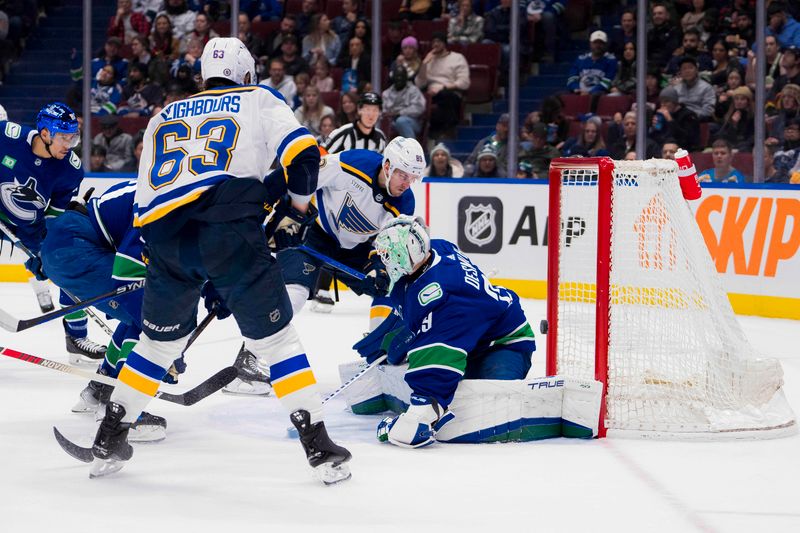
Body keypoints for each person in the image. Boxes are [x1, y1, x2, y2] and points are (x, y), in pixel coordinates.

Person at [91, 37, 352, 484]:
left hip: (165, 239)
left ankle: (109, 434)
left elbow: (144, 201)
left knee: (157, 346)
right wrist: (298, 208)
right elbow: (305, 156)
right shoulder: (256, 99)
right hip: (229, 231)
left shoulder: (161, 117)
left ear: (203, 76)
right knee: (278, 343)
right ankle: (319, 447)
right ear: (246, 75)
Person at [359, 215, 535, 448]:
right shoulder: (438, 247)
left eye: (390, 256)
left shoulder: (446, 300)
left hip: (504, 343)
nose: (386, 261)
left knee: (491, 402)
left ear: (408, 254)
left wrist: (417, 417)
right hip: (474, 335)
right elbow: (416, 300)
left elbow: (434, 376)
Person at [276, 137, 424, 332]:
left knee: (390, 288)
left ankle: (380, 351)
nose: (407, 184)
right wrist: (279, 211)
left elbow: (389, 243)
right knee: (296, 293)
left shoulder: (404, 203)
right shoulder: (352, 163)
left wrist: (378, 267)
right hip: (310, 234)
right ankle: (251, 354)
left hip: (351, 249)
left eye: (412, 178)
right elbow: (304, 176)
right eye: (403, 176)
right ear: (388, 166)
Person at [0, 103, 107, 365]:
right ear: (45, 134)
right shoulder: (6, 135)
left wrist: (48, 253)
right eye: (64, 137)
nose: (69, 144)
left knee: (68, 264)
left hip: (32, 227)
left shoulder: (70, 169)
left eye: (73, 137)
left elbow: (54, 219)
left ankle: (76, 338)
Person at [415, 31, 470, 140]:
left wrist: (443, 87)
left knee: (446, 98)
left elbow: (464, 83)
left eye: (438, 42)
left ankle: (446, 132)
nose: (435, 45)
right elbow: (419, 83)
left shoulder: (457, 58)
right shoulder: (429, 60)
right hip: (431, 93)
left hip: (450, 92)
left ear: (444, 44)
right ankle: (430, 134)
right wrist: (424, 64)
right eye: (433, 42)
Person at [650, 86, 700, 152]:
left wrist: (670, 120)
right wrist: (654, 127)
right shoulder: (662, 115)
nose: (663, 105)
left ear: (675, 102)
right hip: (663, 147)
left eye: (666, 102)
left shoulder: (689, 115)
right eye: (661, 102)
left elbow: (687, 138)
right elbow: (657, 136)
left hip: (682, 148)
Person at [381, 66, 426, 140]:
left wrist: (399, 113)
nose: (399, 79)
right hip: (391, 122)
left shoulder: (414, 90)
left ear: (406, 77)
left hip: (412, 122)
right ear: (393, 78)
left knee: (401, 121)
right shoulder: (386, 93)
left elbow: (419, 108)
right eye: (397, 76)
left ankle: (412, 149)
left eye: (402, 76)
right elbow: (382, 110)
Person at [566, 30, 617, 96]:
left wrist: (590, 92)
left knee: (596, 95)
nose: (598, 45)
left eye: (601, 43)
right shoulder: (581, 59)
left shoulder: (611, 60)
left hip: (598, 93)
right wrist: (576, 89)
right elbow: (572, 78)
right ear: (590, 43)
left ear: (605, 44)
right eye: (595, 42)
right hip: (579, 91)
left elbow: (608, 81)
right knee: (558, 95)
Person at [674, 56, 716, 121]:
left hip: (698, 121)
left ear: (696, 70)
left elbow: (708, 111)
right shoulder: (676, 89)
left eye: (690, 68)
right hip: (679, 121)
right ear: (680, 73)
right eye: (684, 68)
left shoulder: (706, 88)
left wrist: (692, 117)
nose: (687, 71)